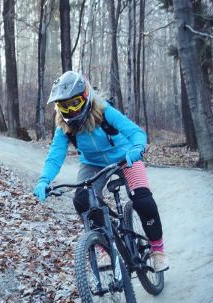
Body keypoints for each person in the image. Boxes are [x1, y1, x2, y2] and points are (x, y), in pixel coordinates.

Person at [33, 71, 168, 272]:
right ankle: (104, 247)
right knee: (82, 200)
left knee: (142, 199)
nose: (70, 110)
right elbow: (55, 155)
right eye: (64, 106)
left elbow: (136, 133)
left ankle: (157, 250)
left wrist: (136, 148)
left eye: (74, 103)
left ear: (86, 97)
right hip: (92, 164)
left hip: (124, 157)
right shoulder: (64, 126)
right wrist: (44, 180)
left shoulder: (104, 111)